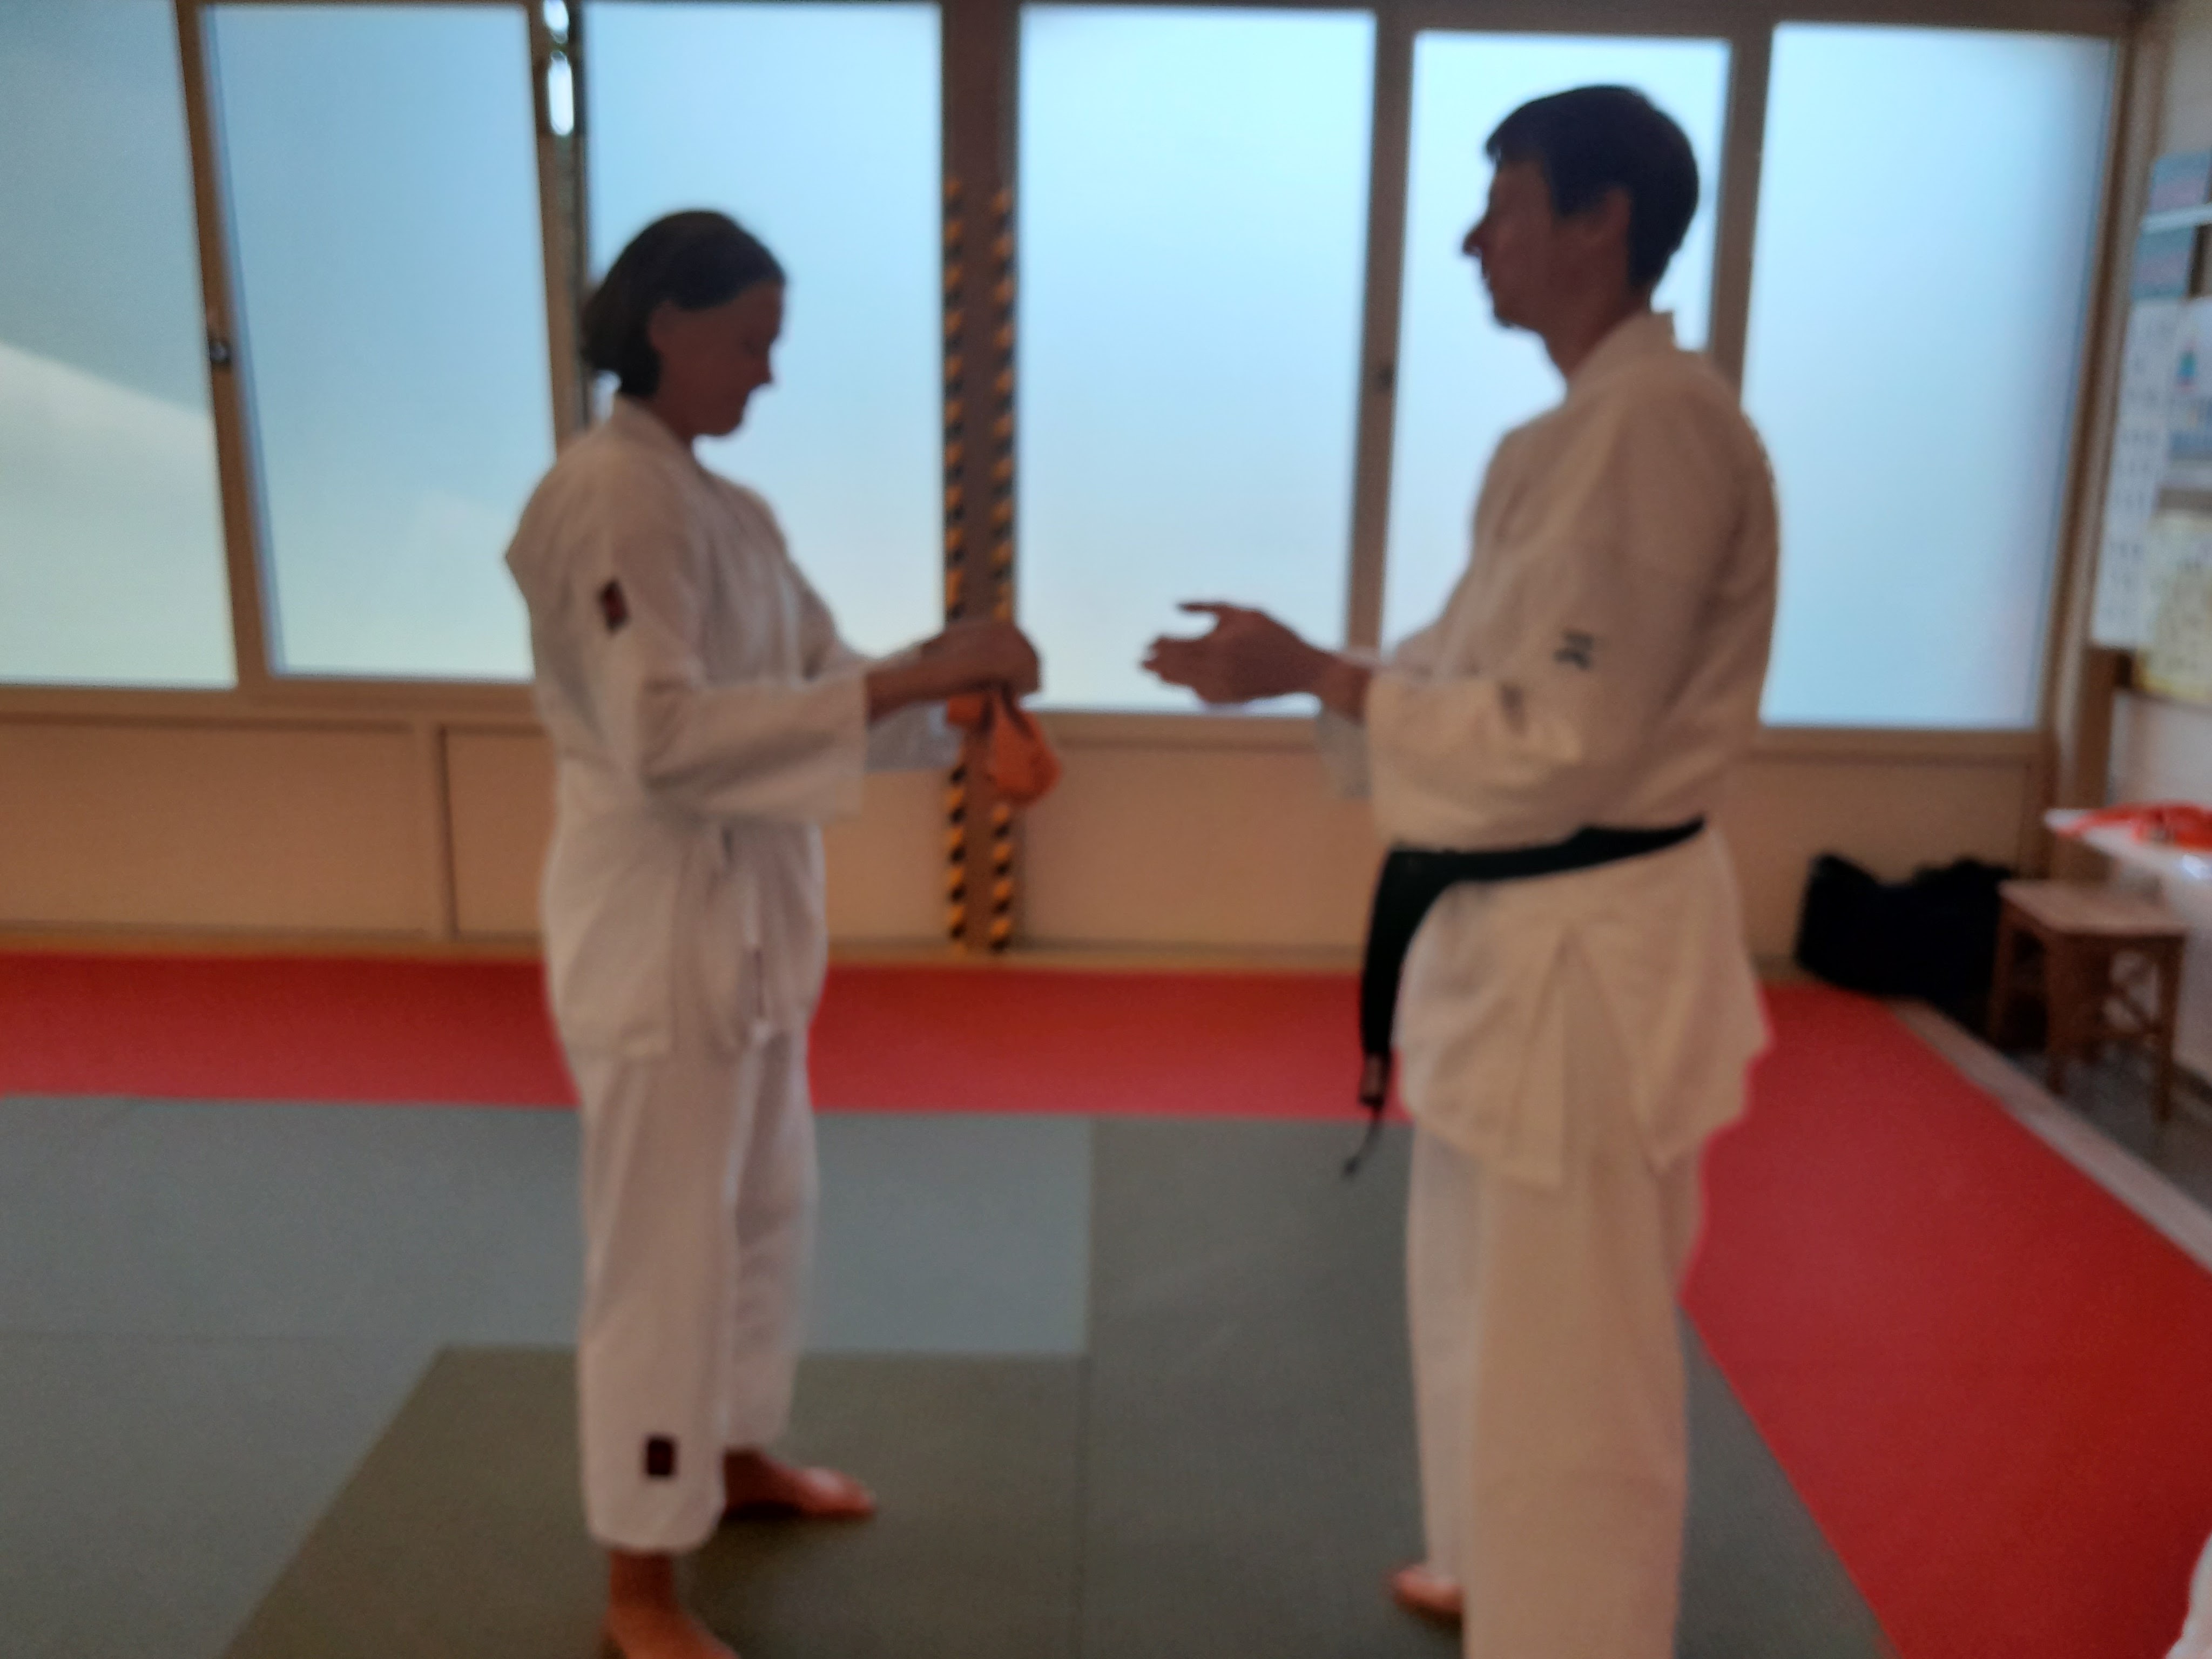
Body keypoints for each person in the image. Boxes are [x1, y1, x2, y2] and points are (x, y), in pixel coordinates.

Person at [1144, 87, 1778, 1658]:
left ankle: (1575, 1627)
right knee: (1480, 1302)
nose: (1472, 240)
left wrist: (1323, 675)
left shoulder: (1657, 428)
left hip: (1591, 958)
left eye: (1504, 206)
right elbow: (1453, 666)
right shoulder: (1563, 439)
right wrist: (1304, 669)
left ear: (1601, 222)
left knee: (1577, 1365)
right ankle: (1497, 1566)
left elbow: (1564, 737)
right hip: (1522, 945)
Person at [505, 210, 1040, 1659]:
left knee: (760, 1218)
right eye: (750, 342)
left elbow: (826, 678)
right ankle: (639, 1583)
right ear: (666, 327)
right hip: (657, 941)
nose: (768, 374)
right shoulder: (609, 499)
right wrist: (917, 681)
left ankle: (734, 1454)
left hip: (746, 941)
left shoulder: (727, 511)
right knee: (663, 1262)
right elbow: (666, 738)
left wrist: (959, 703)